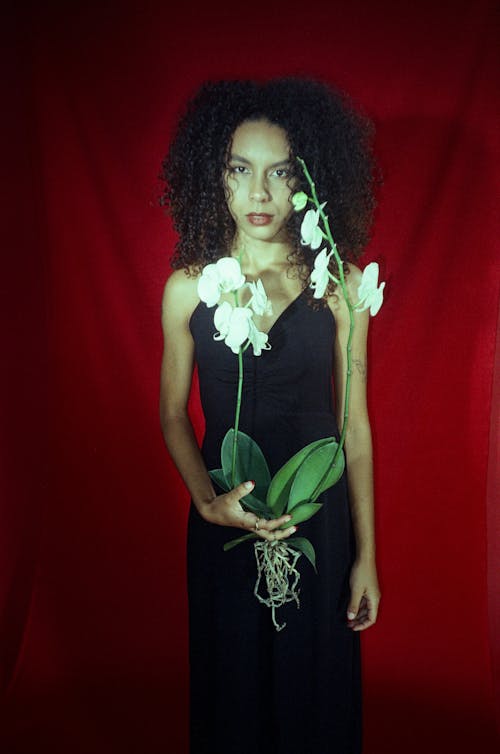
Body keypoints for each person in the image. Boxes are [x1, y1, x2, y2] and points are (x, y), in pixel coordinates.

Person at [159, 77, 381, 754]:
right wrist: (207, 503)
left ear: (309, 179)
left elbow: (356, 431)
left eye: (280, 173)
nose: (260, 194)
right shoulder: (190, 286)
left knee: (315, 696)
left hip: (318, 521)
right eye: (240, 170)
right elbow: (172, 413)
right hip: (226, 525)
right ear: (214, 176)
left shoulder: (339, 285)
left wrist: (368, 553)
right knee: (234, 696)